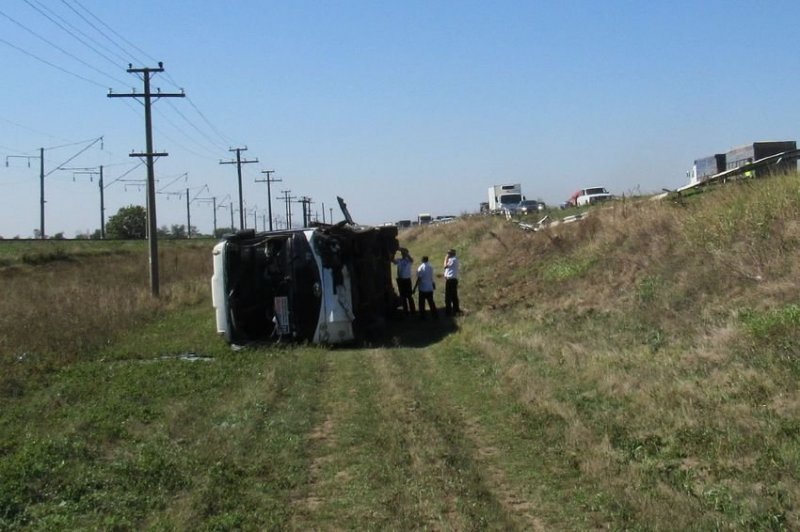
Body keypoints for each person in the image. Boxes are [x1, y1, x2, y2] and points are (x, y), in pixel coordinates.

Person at [393, 247, 415, 315]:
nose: (403, 254)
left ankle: (412, 311)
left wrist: (403, 250)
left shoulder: (409, 261)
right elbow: (393, 261)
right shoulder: (399, 260)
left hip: (407, 280)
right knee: (403, 296)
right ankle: (406, 311)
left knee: (409, 296)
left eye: (404, 253)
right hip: (401, 280)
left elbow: (411, 259)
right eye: (402, 253)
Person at [413, 255, 437, 320]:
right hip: (429, 287)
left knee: (421, 303)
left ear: (422, 260)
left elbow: (419, 279)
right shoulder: (430, 267)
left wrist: (415, 288)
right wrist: (433, 285)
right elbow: (431, 277)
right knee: (431, 302)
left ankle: (422, 316)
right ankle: (435, 315)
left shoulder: (421, 267)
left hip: (423, 288)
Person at [443, 248, 460, 316]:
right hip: (451, 280)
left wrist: (445, 259)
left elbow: (445, 266)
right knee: (453, 295)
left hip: (451, 280)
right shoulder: (453, 259)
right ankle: (456, 309)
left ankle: (449, 311)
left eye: (449, 253)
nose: (448, 254)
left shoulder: (453, 259)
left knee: (448, 296)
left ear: (452, 253)